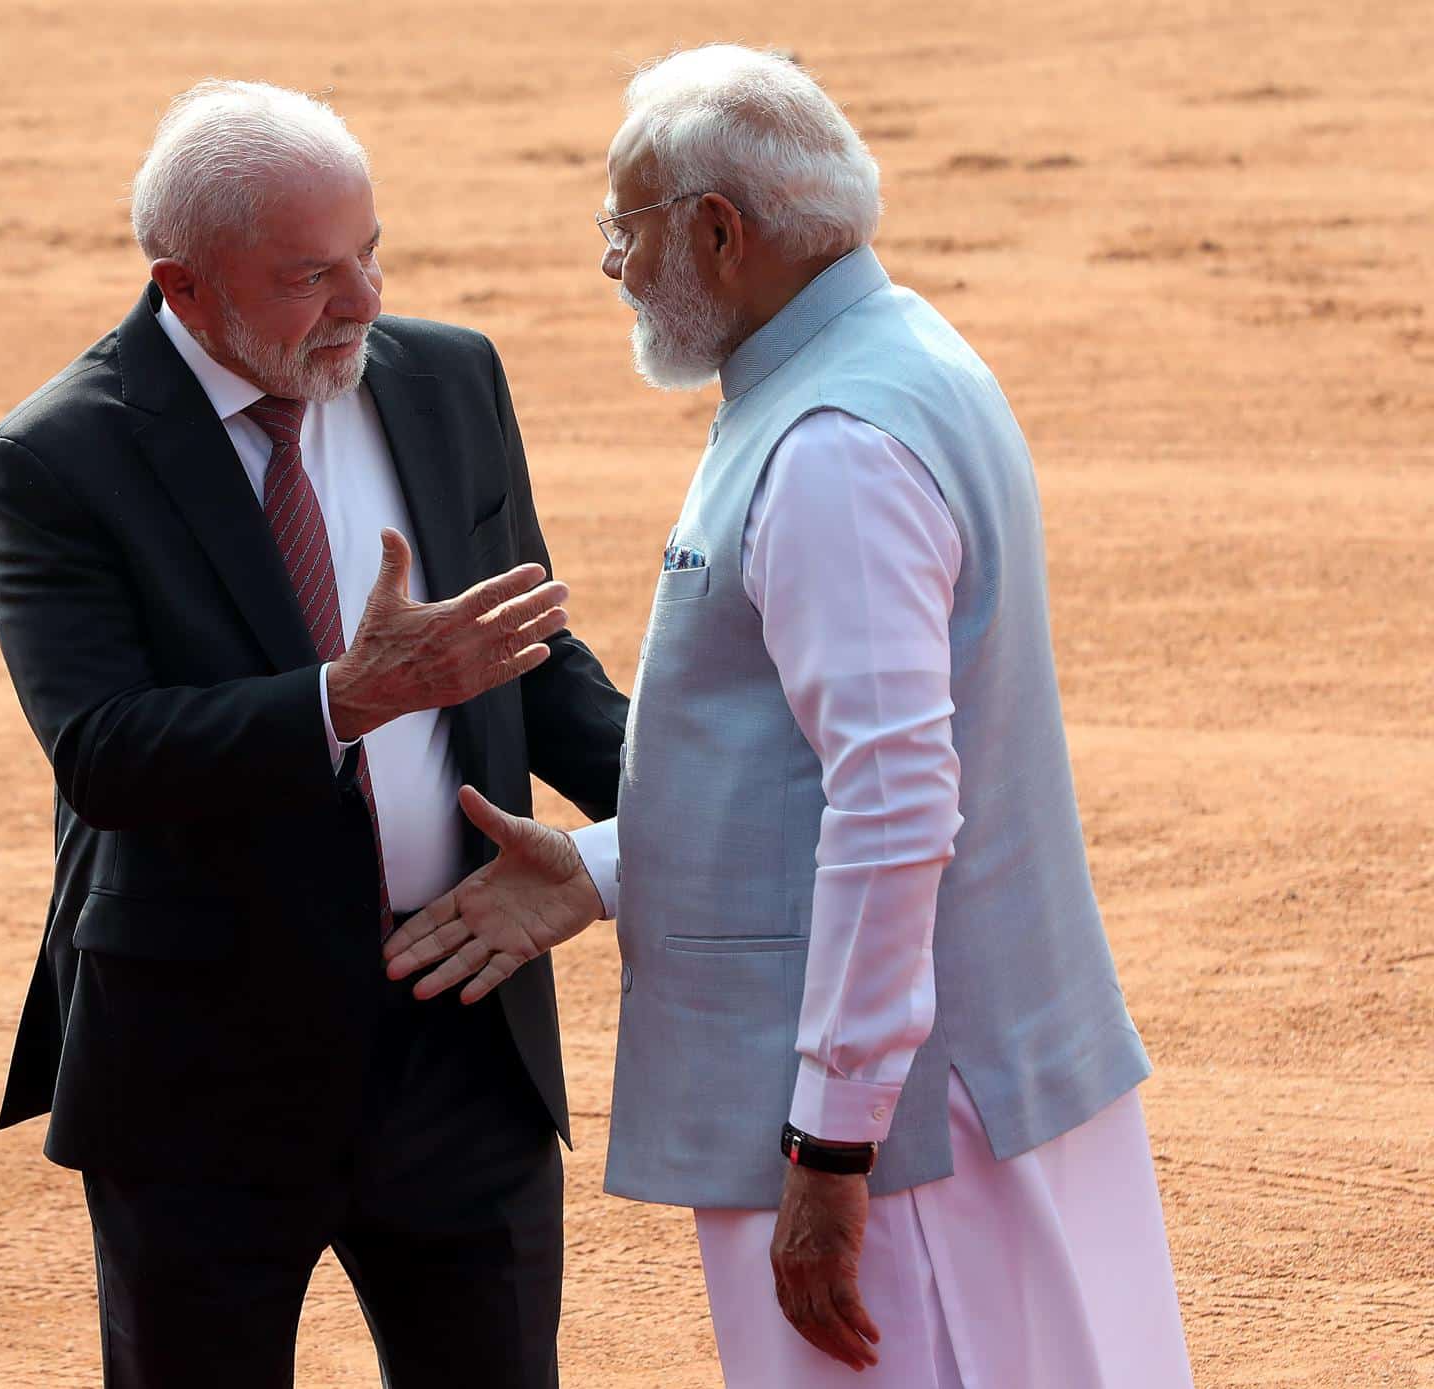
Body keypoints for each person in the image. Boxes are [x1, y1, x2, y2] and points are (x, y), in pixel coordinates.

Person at [385, 45, 1194, 1388]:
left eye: (627, 229)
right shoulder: (901, 352)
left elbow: (890, 804)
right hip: (978, 1091)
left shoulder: (829, 447)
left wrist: (830, 1140)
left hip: (911, 1146)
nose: (615, 268)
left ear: (720, 229)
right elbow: (813, 778)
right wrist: (600, 868)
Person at [0, 79, 627, 1388]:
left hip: (460, 1032)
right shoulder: (57, 459)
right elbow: (105, 752)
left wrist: (684, 798)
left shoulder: (449, 379)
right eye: (312, 275)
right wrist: (345, 697)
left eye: (372, 252)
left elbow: (528, 658)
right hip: (204, 1074)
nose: (365, 302)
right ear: (188, 285)